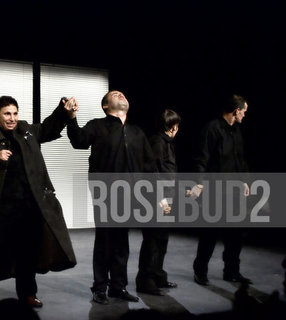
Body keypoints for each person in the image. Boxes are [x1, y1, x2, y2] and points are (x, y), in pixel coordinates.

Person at [0, 95, 77, 308]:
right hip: (0, 206)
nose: (12, 118)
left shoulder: (27, 131)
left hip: (29, 205)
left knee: (28, 251)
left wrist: (63, 110)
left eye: (15, 113)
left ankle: (27, 293)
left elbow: (49, 128)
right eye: (7, 114)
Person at [66, 90, 160, 305]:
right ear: (105, 106)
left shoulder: (137, 132)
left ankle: (118, 286)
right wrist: (71, 119)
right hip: (106, 192)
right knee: (105, 241)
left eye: (123, 94)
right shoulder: (97, 125)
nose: (121, 95)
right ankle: (100, 287)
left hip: (133, 194)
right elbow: (78, 141)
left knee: (121, 242)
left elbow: (150, 166)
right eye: (115, 94)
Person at [192, 94, 252, 286]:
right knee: (210, 233)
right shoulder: (212, 129)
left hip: (234, 191)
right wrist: (199, 184)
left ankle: (231, 271)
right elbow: (203, 158)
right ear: (236, 111)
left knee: (236, 234)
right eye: (244, 112)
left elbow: (239, 159)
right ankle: (200, 271)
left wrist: (245, 181)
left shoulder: (237, 131)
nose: (244, 115)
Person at [135, 109, 181, 296]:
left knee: (161, 240)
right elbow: (151, 174)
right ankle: (146, 281)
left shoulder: (166, 143)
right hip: (156, 200)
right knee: (152, 241)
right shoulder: (157, 143)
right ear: (173, 127)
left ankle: (158, 276)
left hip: (166, 198)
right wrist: (160, 198)